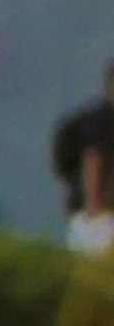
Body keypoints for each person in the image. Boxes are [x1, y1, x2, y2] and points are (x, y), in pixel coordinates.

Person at [55, 61, 114, 257]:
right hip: (99, 216)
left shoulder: (86, 120)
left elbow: (63, 166)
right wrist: (95, 209)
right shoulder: (104, 120)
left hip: (85, 213)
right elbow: (94, 162)